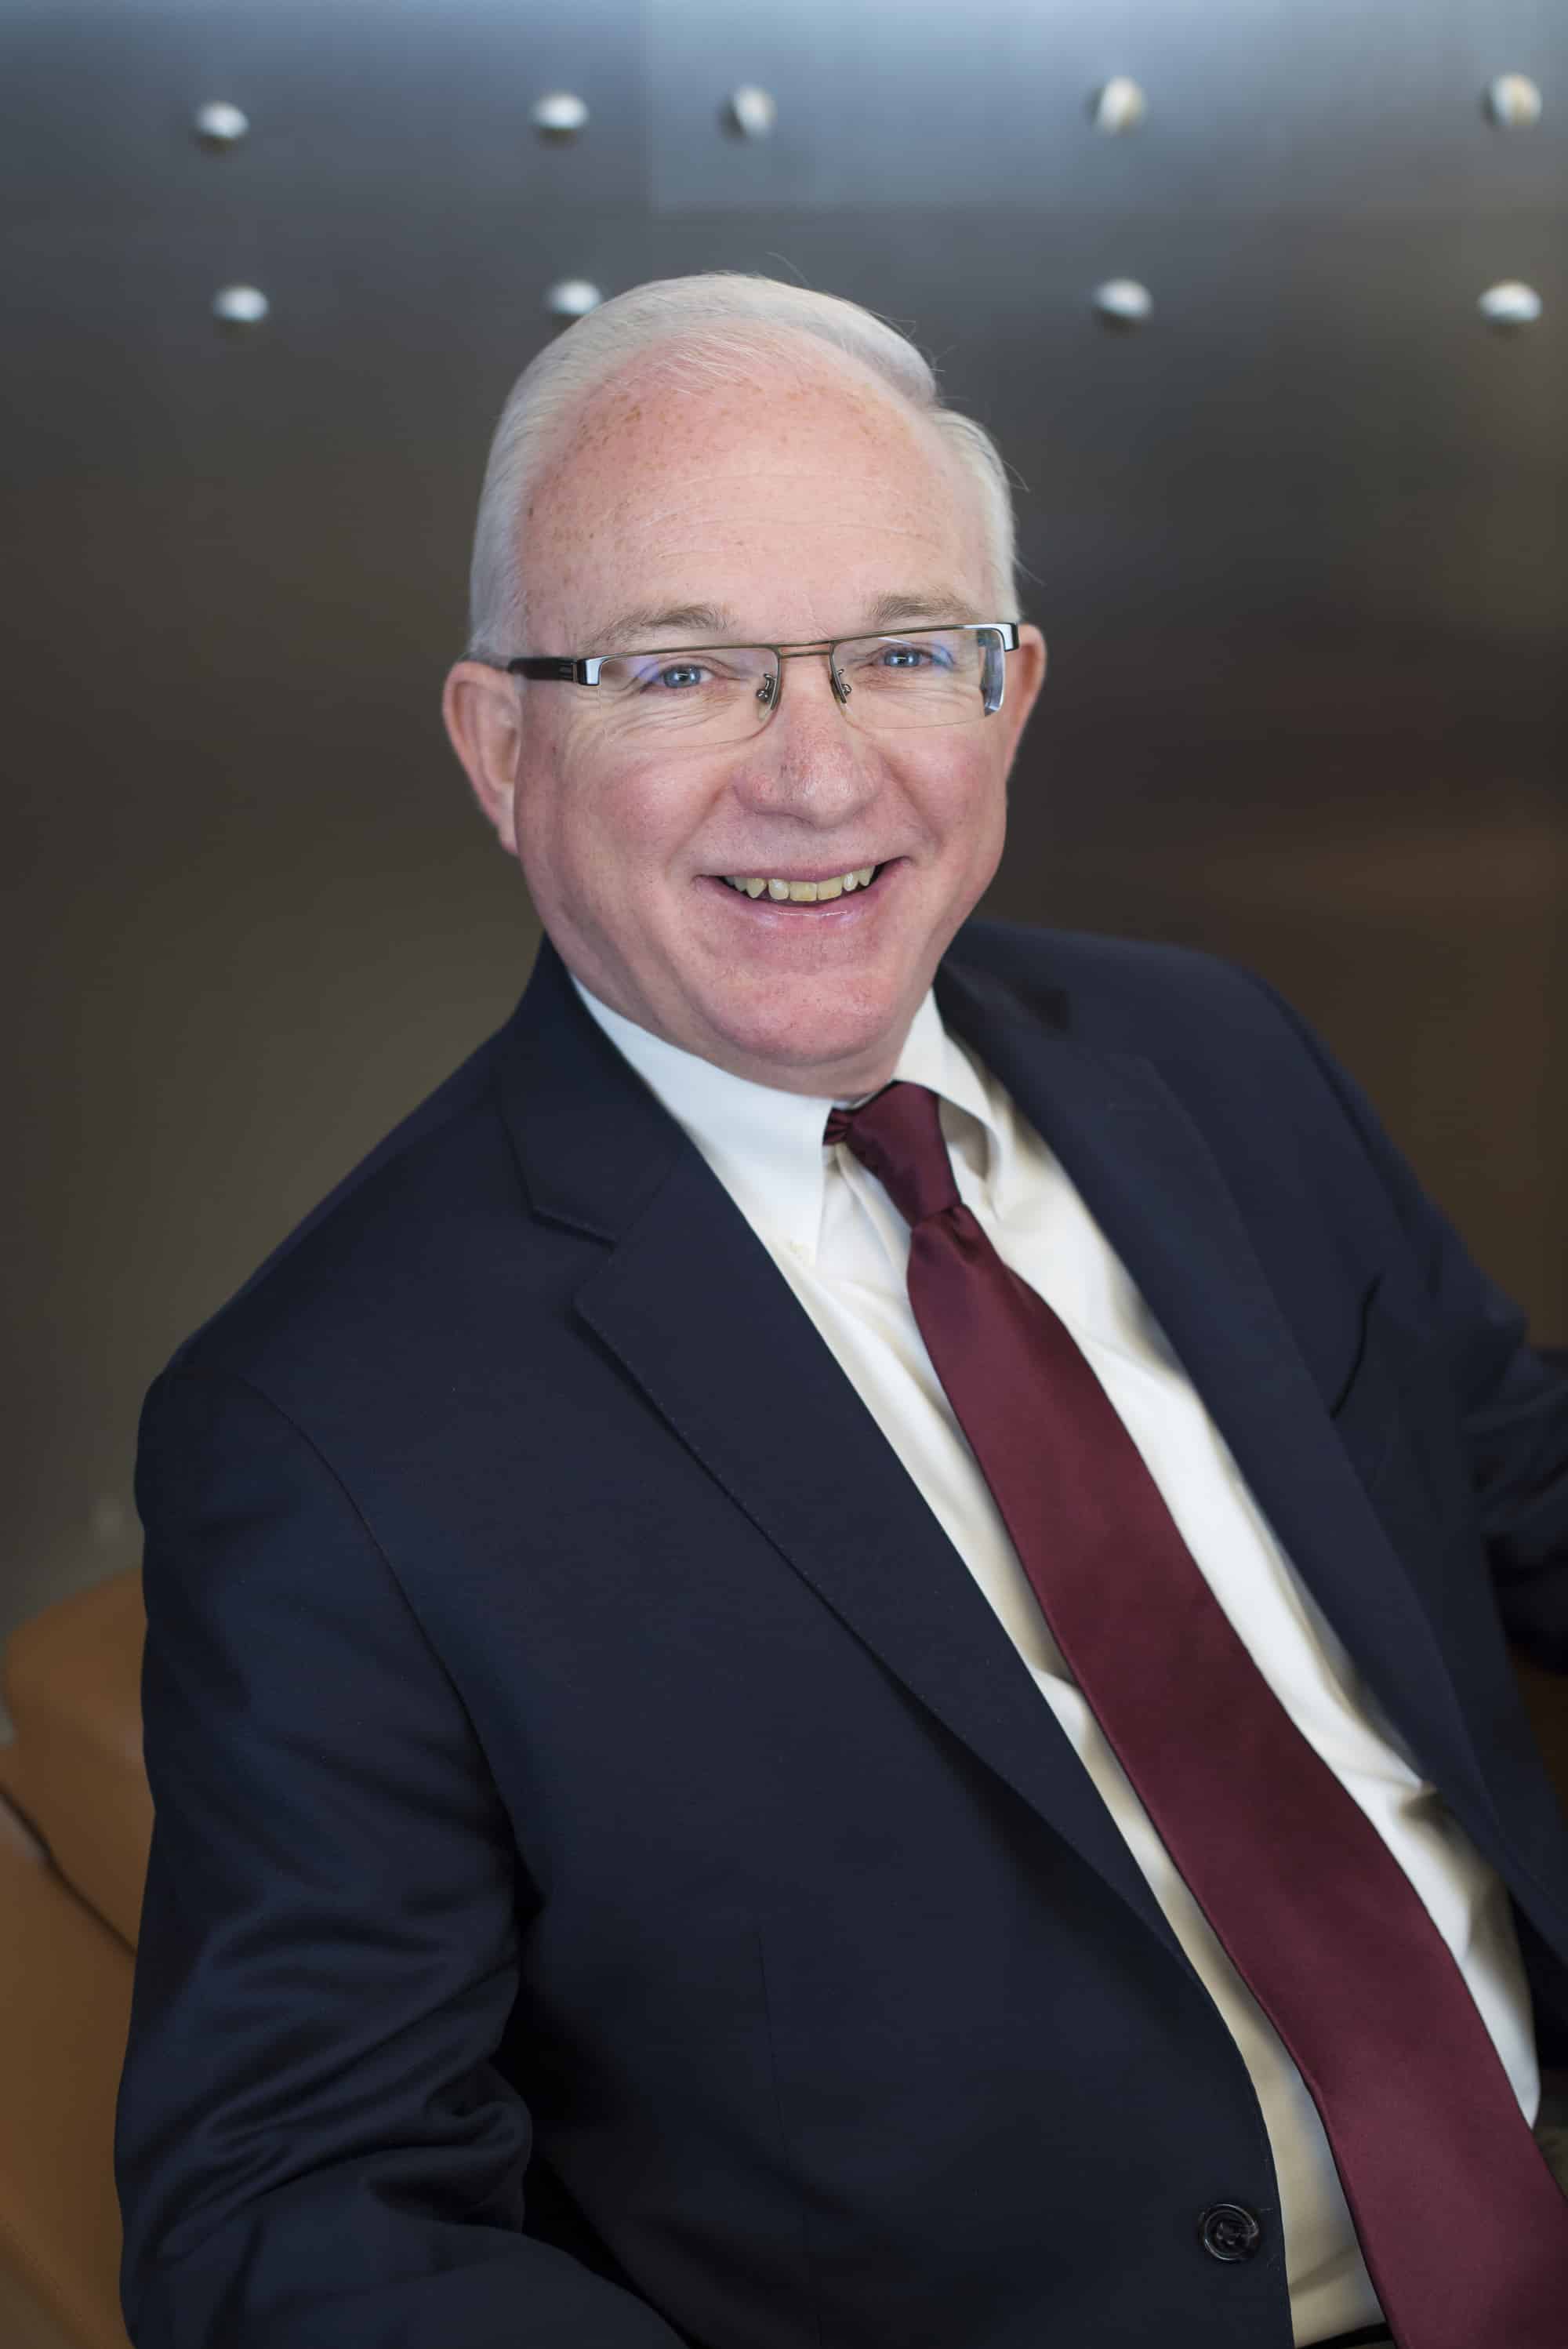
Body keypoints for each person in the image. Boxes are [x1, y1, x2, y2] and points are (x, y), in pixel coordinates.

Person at [114, 272, 1568, 2349]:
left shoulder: (1214, 1055)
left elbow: (1517, 1473)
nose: (818, 778)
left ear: (1010, 696)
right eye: (682, 672)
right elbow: (294, 2215)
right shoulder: (324, 1428)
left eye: (900, 654)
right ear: (501, 748)